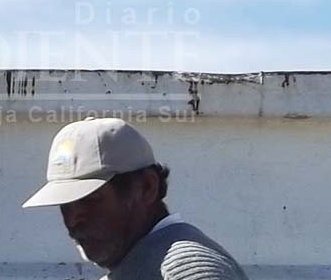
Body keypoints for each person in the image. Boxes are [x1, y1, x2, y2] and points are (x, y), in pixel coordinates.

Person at [22, 117, 249, 280]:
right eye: (65, 204)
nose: (72, 220)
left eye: (90, 199)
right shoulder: (142, 265)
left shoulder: (185, 269)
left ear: (147, 187)